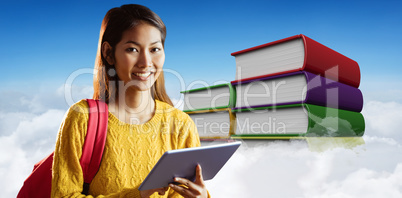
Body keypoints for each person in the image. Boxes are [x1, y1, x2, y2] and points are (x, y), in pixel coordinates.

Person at [51, 4, 209, 198]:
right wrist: (139, 195)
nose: (145, 62)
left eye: (155, 49)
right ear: (109, 53)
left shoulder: (181, 125)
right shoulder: (82, 118)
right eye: (133, 49)